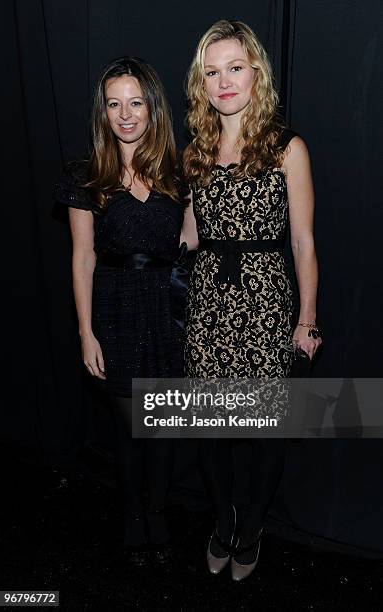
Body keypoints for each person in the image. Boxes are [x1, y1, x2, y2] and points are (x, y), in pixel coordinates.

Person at [181, 20, 322, 581]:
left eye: (234, 67)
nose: (223, 81)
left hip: (265, 303)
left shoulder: (288, 148)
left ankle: (252, 526)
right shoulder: (196, 152)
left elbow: (304, 240)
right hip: (208, 305)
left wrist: (306, 321)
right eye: (212, 72)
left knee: (263, 432)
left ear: (256, 71)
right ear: (201, 83)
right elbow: (189, 233)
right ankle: (221, 521)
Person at [55, 56, 184, 565]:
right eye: (114, 104)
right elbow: (82, 256)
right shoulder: (86, 176)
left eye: (135, 102)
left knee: (166, 424)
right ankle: (133, 514)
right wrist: (86, 331)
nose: (125, 114)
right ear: (102, 112)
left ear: (152, 107)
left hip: (168, 305)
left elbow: (190, 239)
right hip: (114, 306)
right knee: (130, 424)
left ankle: (158, 509)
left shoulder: (179, 172)